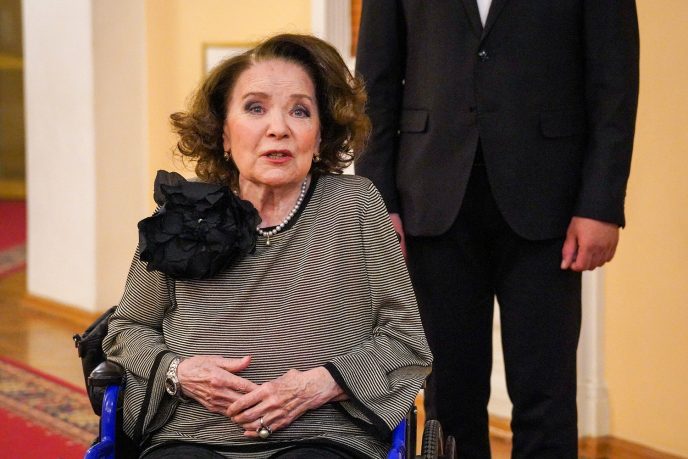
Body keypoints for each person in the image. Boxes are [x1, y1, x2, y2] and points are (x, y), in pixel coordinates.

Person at [103, 33, 432, 459]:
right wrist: (180, 373)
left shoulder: (355, 206)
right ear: (223, 133)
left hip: (323, 436)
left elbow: (406, 339)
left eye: (300, 111)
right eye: (255, 108)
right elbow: (127, 331)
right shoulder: (182, 214)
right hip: (193, 435)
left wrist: (319, 384)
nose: (278, 128)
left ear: (320, 135)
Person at [355, 1, 639, 457]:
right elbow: (374, 84)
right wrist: (378, 203)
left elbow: (615, 84)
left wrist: (601, 205)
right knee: (449, 394)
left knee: (547, 393)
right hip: (430, 196)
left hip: (550, 203)